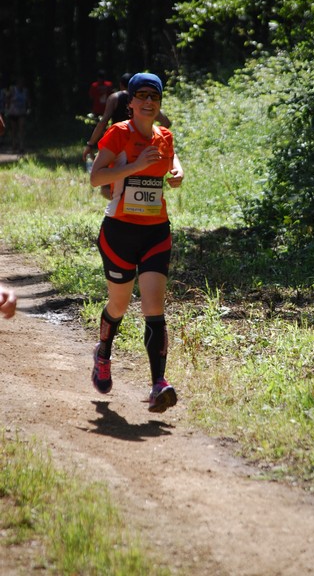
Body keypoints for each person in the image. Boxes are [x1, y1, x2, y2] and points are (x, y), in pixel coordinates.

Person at [89, 72, 184, 413]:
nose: (148, 102)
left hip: (156, 232)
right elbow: (96, 177)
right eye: (141, 96)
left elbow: (171, 158)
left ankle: (159, 384)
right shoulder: (118, 134)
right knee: (118, 306)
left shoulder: (165, 136)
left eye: (154, 97)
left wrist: (177, 172)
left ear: (159, 105)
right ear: (130, 103)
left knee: (153, 308)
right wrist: (133, 168)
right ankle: (103, 353)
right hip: (119, 233)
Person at [83, 72, 172, 163]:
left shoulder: (115, 97)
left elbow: (103, 121)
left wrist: (91, 144)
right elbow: (166, 122)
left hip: (119, 143)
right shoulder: (148, 102)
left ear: (121, 85)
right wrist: (151, 140)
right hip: (139, 145)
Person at [6, 77, 30, 153]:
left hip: (22, 112)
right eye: (19, 83)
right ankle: (14, 145)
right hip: (13, 112)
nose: (21, 84)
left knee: (21, 128)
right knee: (14, 130)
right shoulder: (13, 90)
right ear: (17, 83)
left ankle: (21, 146)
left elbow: (28, 100)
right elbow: (7, 98)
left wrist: (29, 108)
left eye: (22, 83)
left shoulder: (25, 91)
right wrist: (7, 107)